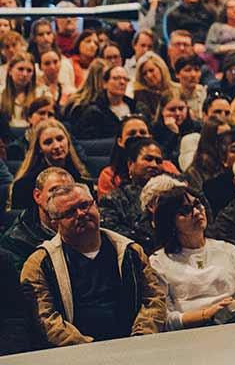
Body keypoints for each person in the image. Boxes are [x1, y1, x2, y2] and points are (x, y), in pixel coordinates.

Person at [20, 182, 165, 345]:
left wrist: (140, 337)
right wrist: (90, 350)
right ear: (55, 224)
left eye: (84, 205)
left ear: (96, 206)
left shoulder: (130, 251)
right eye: (69, 212)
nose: (81, 214)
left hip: (135, 345)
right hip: (76, 356)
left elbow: (153, 299)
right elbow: (46, 320)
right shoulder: (39, 265)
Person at [149, 185, 235, 329]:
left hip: (234, 324)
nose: (196, 212)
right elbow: (165, 319)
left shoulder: (228, 250)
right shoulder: (158, 262)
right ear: (171, 222)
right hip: (189, 333)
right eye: (185, 211)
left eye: (197, 204)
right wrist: (207, 314)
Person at [97, 137, 166, 250]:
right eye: (148, 159)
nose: (154, 165)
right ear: (130, 164)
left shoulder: (172, 193)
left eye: (158, 161)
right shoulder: (112, 200)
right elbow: (115, 237)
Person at [0, 166, 73, 270]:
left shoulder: (86, 226)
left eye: (67, 190)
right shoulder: (15, 239)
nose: (62, 196)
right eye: (54, 190)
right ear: (37, 196)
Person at [10, 118, 91, 210]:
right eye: (48, 142)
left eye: (60, 139)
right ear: (39, 148)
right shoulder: (24, 186)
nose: (56, 146)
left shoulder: (83, 180)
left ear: (68, 141)